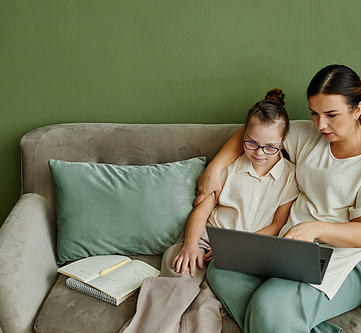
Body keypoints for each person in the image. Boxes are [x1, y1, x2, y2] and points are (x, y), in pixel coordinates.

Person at [197, 64, 361, 333]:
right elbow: (251, 133)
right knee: (221, 269)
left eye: (331, 115)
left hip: (340, 262)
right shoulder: (309, 135)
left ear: (357, 110)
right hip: (289, 250)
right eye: (314, 114)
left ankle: (276, 316)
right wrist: (213, 170)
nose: (321, 125)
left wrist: (316, 228)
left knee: (268, 305)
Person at [120, 89, 299, 333]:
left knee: (206, 305)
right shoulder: (228, 168)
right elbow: (201, 212)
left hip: (247, 248)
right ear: (243, 135)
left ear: (284, 139)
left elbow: (277, 225)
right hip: (206, 239)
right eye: (251, 143)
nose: (259, 153)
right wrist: (190, 244)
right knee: (179, 280)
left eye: (270, 147)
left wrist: (237, 248)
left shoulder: (291, 176)